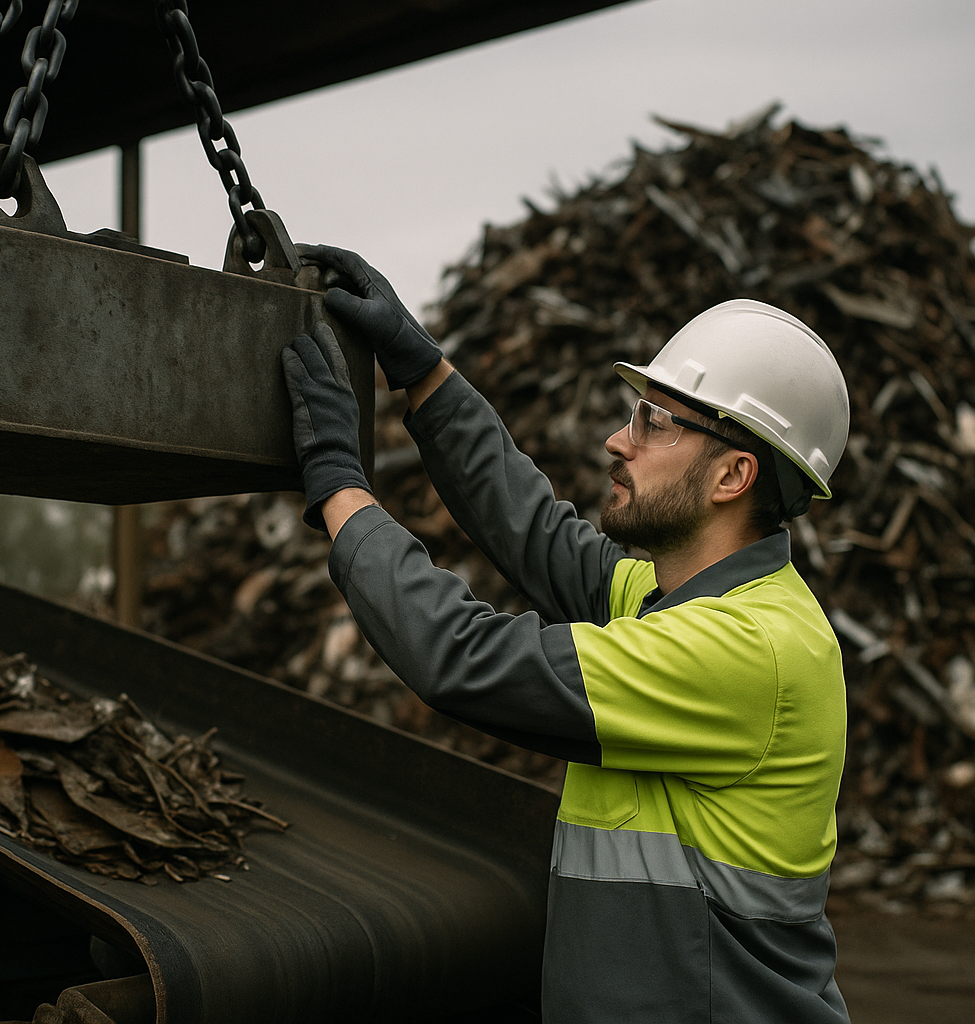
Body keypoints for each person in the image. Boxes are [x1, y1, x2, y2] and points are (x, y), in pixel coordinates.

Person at [280, 243, 852, 1024]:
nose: (620, 440)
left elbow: (464, 657)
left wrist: (341, 488)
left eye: (654, 421)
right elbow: (538, 534)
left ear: (732, 476)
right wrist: (424, 375)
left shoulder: (748, 650)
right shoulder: (669, 600)